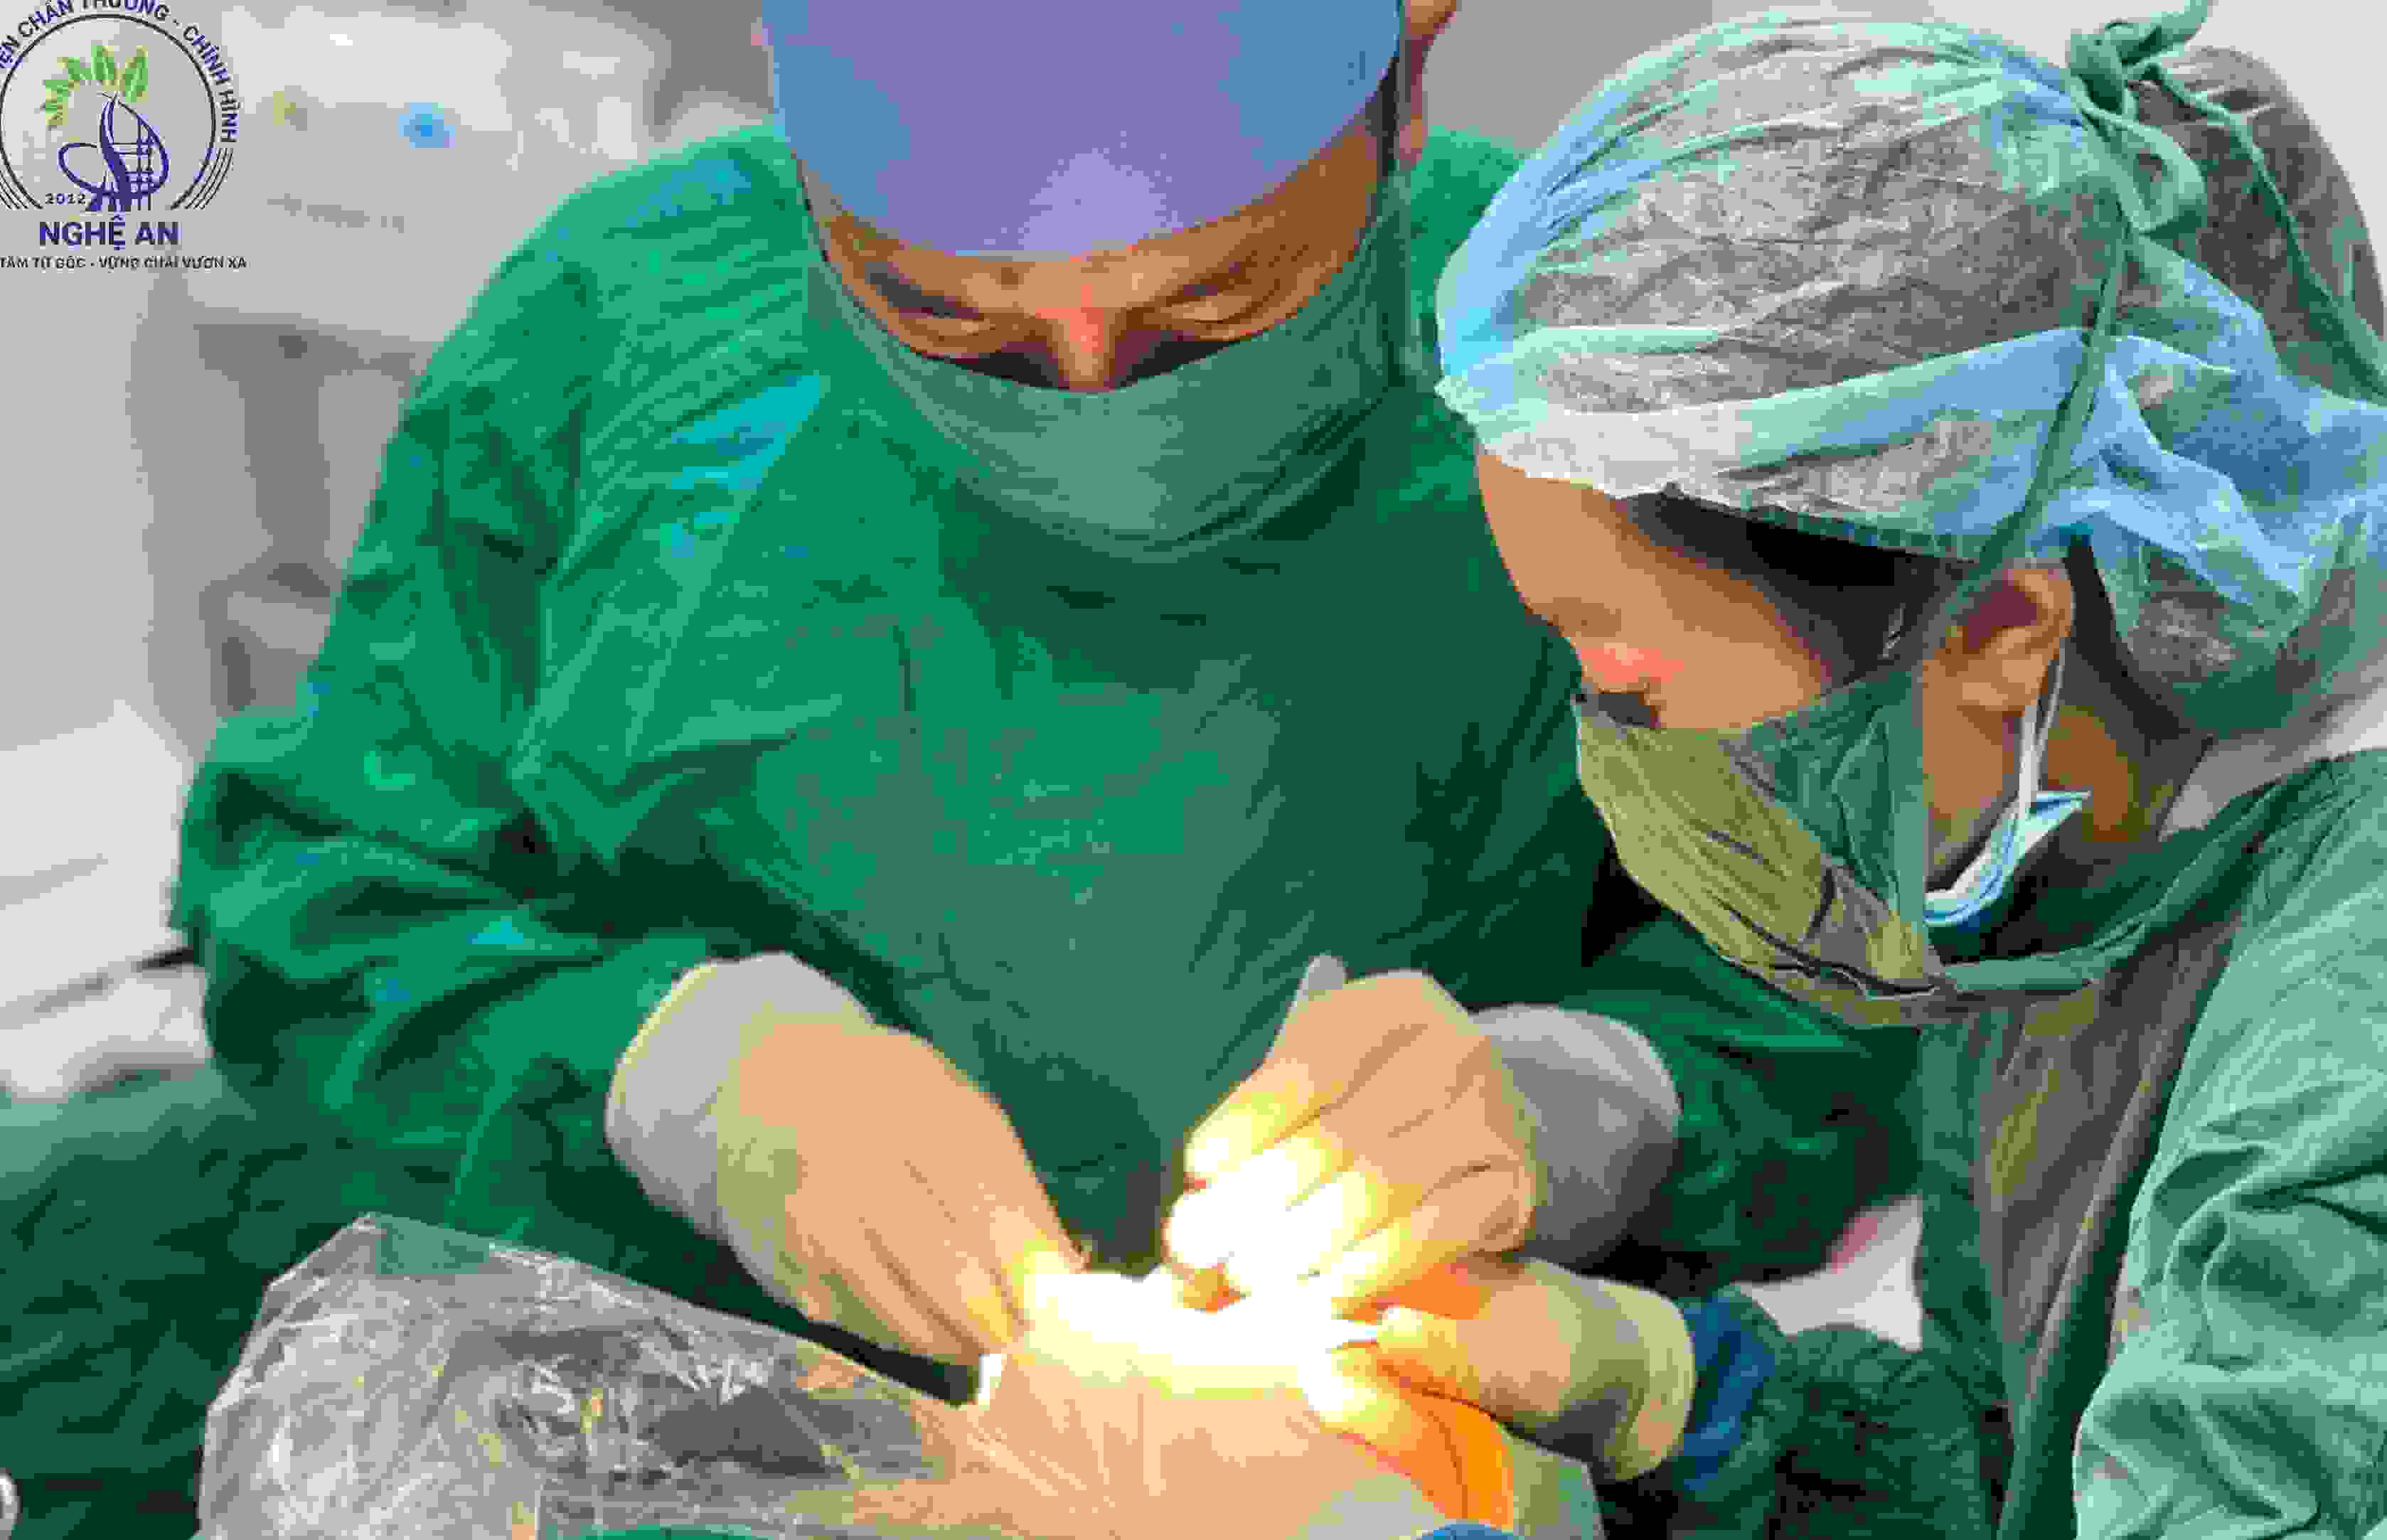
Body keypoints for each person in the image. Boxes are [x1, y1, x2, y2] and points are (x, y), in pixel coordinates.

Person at [0, 4, 1916, 1536]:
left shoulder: (1581, 389)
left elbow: (1854, 966)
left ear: (1405, 68)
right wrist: (683, 1069)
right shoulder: (616, 336)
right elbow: (322, 903)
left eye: (1208, 310)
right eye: (951, 318)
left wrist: (1594, 1092)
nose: (1086, 386)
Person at [1251, 4, 2385, 1537]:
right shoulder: (2051, 867)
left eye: (1627, 680)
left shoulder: (2344, 1057)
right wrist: (1654, 1393)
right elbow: (2017, 1484)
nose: (1616, 757)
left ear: (1994, 628)